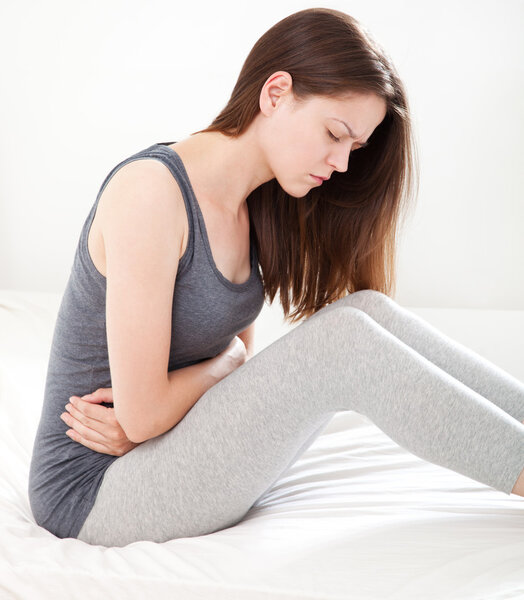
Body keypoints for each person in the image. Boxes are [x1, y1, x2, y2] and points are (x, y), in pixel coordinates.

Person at [28, 7, 524, 548]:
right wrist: (231, 361)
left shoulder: (257, 204)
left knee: (367, 313)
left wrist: (229, 361)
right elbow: (146, 413)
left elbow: (218, 365)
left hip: (166, 445)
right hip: (94, 490)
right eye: (335, 135)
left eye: (353, 149)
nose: (341, 164)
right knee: (346, 344)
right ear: (276, 92)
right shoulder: (151, 192)